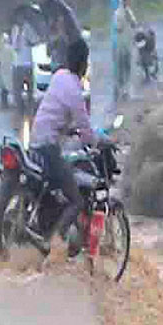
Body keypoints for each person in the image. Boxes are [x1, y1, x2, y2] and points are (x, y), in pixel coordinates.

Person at [29, 38, 110, 257]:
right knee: (76, 200)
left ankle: (47, 229)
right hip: (48, 149)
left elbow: (56, 113)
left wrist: (68, 130)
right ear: (84, 64)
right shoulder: (76, 92)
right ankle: (55, 242)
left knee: (57, 191)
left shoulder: (59, 77)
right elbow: (86, 132)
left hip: (34, 144)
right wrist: (98, 141)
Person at [11, 21, 40, 113]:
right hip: (17, 64)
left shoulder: (28, 28)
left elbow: (35, 40)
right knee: (17, 91)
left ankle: (30, 109)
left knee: (29, 90)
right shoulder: (15, 29)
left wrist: (29, 40)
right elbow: (14, 46)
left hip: (27, 64)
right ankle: (20, 109)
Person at [115, 0, 137, 100]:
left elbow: (134, 23)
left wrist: (130, 19)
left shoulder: (129, 11)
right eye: (125, 0)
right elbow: (118, 28)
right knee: (122, 65)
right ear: (122, 1)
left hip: (128, 41)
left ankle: (127, 87)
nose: (127, 2)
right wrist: (124, 20)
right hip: (121, 43)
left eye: (127, 0)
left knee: (128, 65)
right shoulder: (118, 13)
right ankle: (122, 88)